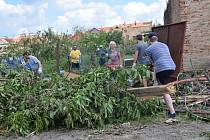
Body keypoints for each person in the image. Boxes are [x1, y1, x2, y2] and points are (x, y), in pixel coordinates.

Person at [145, 32, 177, 123]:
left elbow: (151, 63)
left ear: (149, 40)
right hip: (171, 66)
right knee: (167, 86)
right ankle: (172, 105)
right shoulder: (165, 45)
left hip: (162, 68)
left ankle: (172, 114)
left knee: (164, 90)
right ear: (157, 39)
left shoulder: (148, 49)